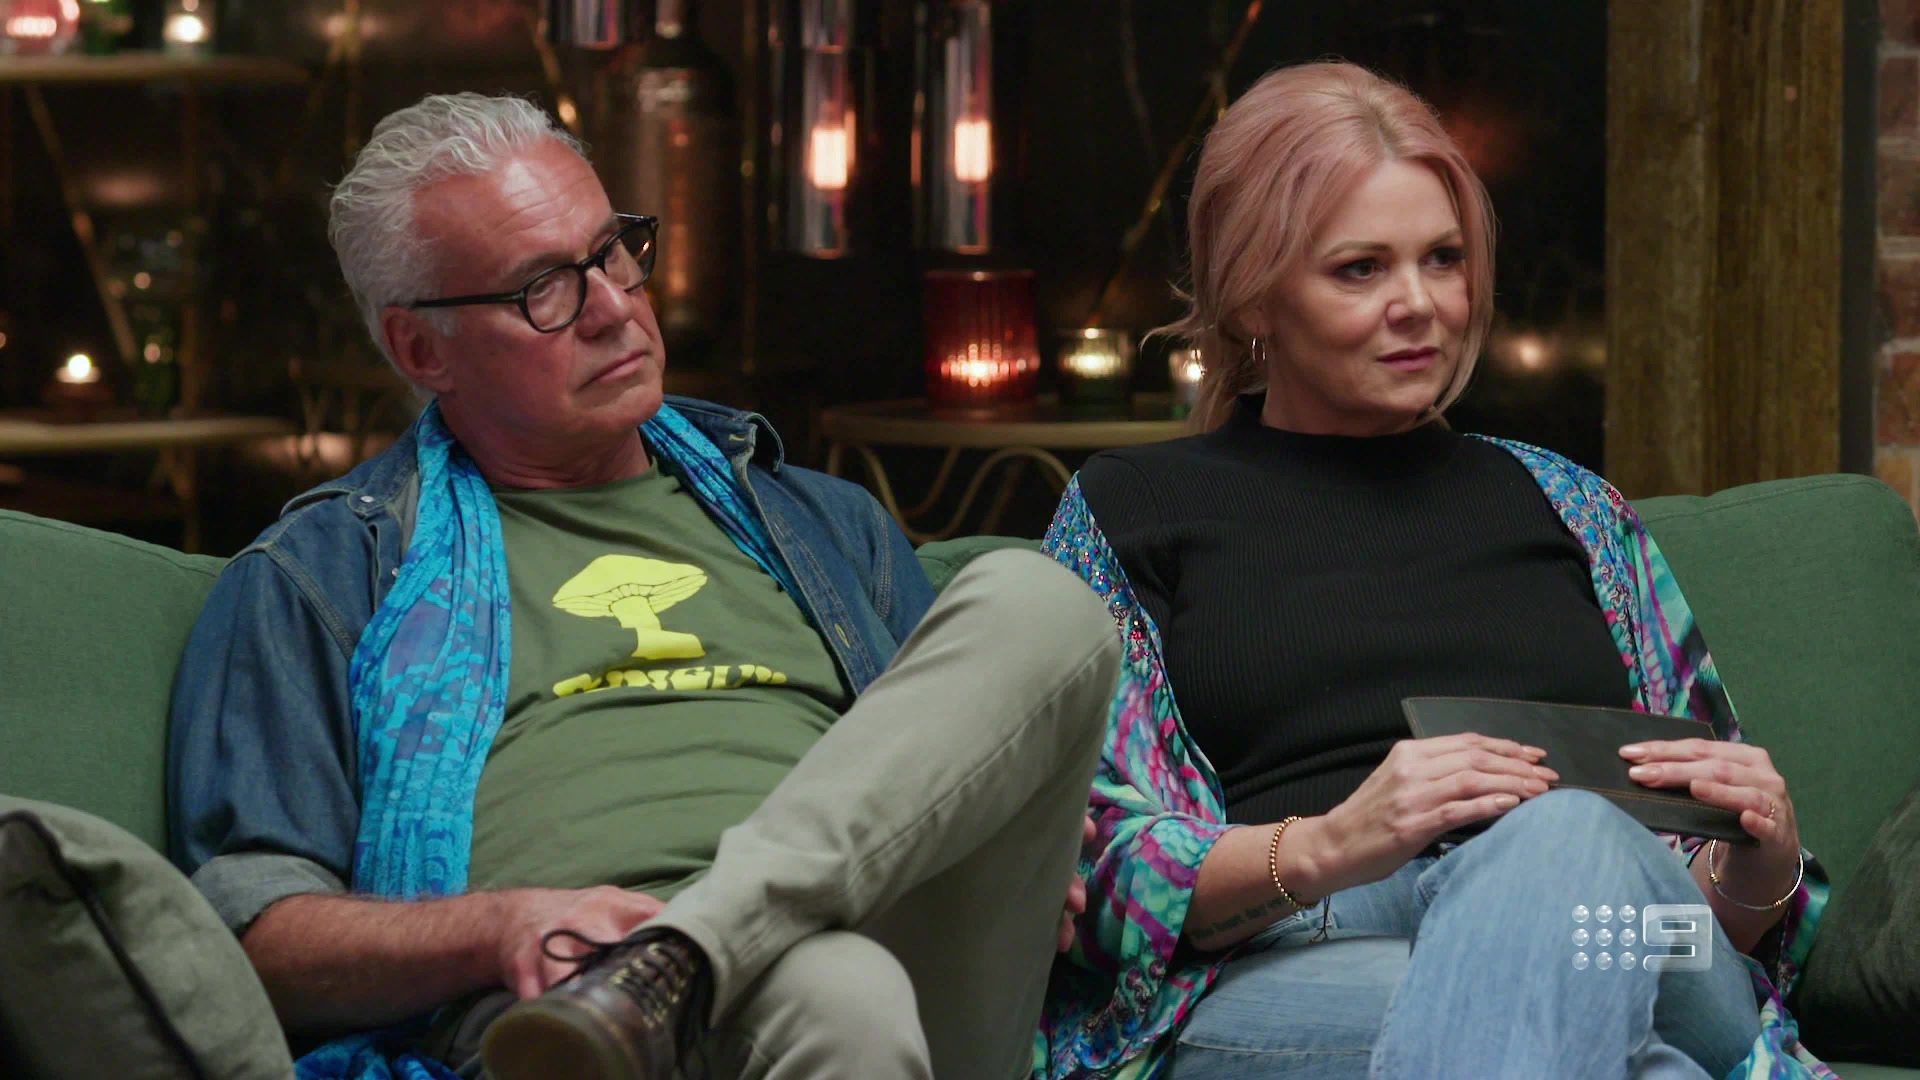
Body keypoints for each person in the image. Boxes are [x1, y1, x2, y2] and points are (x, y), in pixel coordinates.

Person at [167, 91, 1117, 1080]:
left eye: (613, 252)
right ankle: (671, 973)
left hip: (906, 955)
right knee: (840, 991)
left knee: (1038, 598)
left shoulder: (822, 525)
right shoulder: (327, 572)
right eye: (543, 287)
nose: (614, 307)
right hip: (572, 1023)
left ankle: (686, 955)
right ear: (420, 348)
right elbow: (250, 934)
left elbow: (970, 775)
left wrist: (1024, 850)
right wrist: (500, 927)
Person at [1036, 63, 1835, 1079]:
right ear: (1252, 297)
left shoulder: (1571, 508)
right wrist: (1332, 842)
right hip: (1307, 948)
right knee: (1643, 1058)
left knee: (1569, 846)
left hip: (1626, 931)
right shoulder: (1133, 512)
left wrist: (1761, 864)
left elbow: (1709, 928)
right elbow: (1081, 871)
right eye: (1360, 269)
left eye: (1443, 259)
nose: (1418, 304)